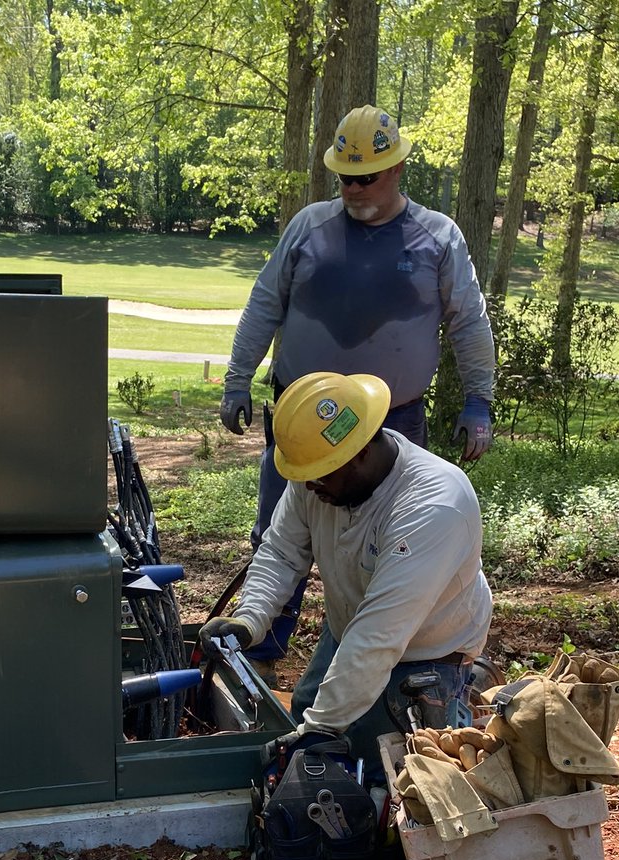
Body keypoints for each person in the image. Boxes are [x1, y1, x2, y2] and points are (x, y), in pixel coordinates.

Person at [220, 104, 495, 681]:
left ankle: (379, 658)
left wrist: (478, 400)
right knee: (279, 532)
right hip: (300, 418)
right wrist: (237, 378)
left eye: (365, 176)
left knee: (390, 545)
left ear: (396, 169)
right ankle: (261, 655)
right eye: (344, 177)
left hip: (391, 423)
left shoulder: (437, 238)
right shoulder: (309, 227)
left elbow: (467, 322)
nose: (352, 188)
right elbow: (265, 303)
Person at [200, 371, 493, 777]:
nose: (309, 486)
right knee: (305, 714)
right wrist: (250, 620)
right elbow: (282, 552)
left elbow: (380, 636)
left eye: (320, 474)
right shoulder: (317, 474)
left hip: (425, 649)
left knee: (386, 769)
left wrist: (320, 730)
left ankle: (459, 695)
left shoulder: (432, 506)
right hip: (352, 627)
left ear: (360, 452)